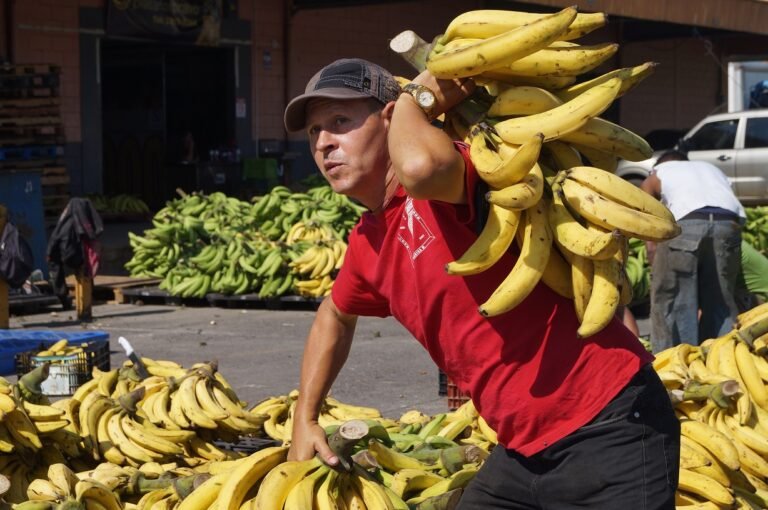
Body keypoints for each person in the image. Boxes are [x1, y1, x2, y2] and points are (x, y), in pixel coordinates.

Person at [284, 58, 678, 508]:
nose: (325, 144)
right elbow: (335, 315)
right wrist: (306, 415)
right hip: (522, 451)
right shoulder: (367, 243)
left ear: (391, 120)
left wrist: (415, 100)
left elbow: (419, 167)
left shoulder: (465, 174)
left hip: (610, 424)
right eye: (314, 132)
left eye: (340, 122)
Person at [641, 150, 745, 353]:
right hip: (728, 224)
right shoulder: (711, 169)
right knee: (720, 300)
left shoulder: (660, 171)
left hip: (687, 223)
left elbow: (643, 208)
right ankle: (721, 360)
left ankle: (676, 362)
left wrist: (652, 249)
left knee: (674, 299)